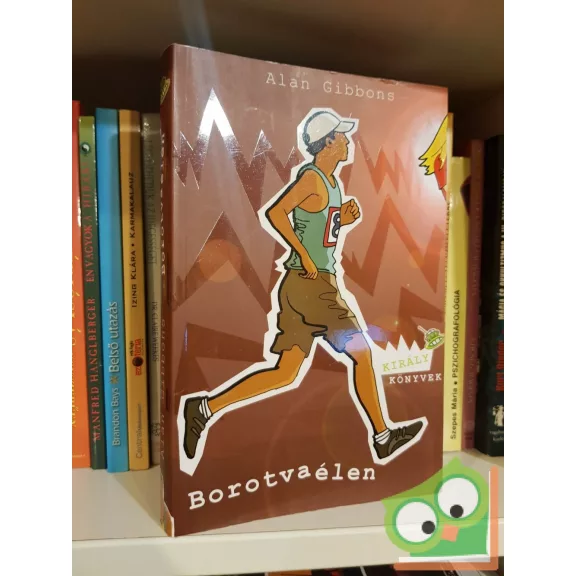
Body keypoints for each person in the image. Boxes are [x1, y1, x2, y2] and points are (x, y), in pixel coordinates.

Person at [181, 110, 424, 472]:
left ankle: (203, 408)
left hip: (301, 286)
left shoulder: (331, 183)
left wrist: (342, 219)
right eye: (341, 136)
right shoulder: (312, 179)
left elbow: (318, 230)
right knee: (362, 354)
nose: (347, 141)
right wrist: (305, 256)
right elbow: (277, 213)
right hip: (314, 286)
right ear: (326, 143)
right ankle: (382, 437)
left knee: (285, 372)